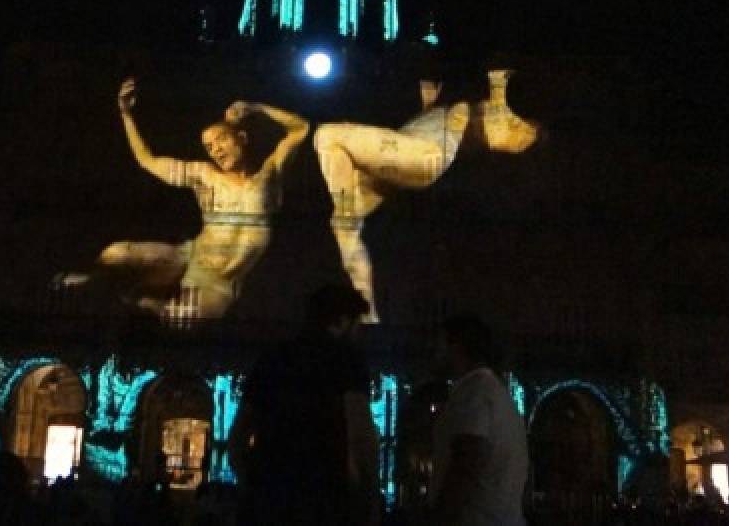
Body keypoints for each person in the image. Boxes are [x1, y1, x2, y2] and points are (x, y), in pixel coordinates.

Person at [59, 78, 309, 320]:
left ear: (241, 138)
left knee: (180, 319)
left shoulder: (268, 176)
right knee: (116, 254)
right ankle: (94, 281)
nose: (216, 150)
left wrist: (257, 108)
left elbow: (300, 128)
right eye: (209, 147)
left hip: (220, 283)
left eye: (220, 140)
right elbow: (148, 160)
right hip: (190, 257)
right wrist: (126, 115)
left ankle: (140, 300)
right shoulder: (204, 175)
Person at [314, 70, 538, 322]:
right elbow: (427, 127)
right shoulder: (449, 110)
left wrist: (498, 85)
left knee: (328, 135)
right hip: (409, 156)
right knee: (343, 226)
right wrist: (429, 103)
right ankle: (367, 315)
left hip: (424, 156)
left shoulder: (492, 116)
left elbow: (501, 134)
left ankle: (345, 210)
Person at [229, 285, 379, 526]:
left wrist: (253, 484)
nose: (359, 332)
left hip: (268, 498)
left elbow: (237, 437)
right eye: (357, 324)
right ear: (342, 321)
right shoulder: (347, 359)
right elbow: (360, 433)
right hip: (326, 497)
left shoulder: (270, 359)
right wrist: (369, 498)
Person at [426, 314, 528, 526]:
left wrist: (440, 516)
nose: (432, 351)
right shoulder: (496, 393)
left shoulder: (474, 393)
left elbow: (468, 459)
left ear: (456, 347)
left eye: (439, 344)